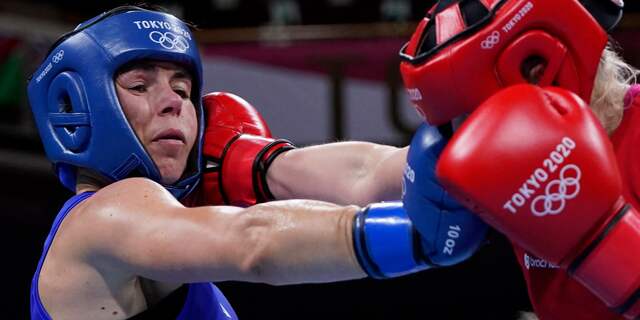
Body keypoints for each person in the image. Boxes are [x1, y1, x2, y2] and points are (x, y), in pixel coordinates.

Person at [27, 5, 488, 319]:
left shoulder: (163, 224)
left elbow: (360, 175)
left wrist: (464, 154)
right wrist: (418, 235)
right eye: (139, 86)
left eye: (184, 90)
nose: (173, 104)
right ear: (78, 107)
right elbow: (255, 241)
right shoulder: (105, 215)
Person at [398, 0, 640, 319]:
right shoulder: (496, 161)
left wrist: (602, 244)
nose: (478, 136)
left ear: (538, 71)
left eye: (476, 113)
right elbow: (362, 173)